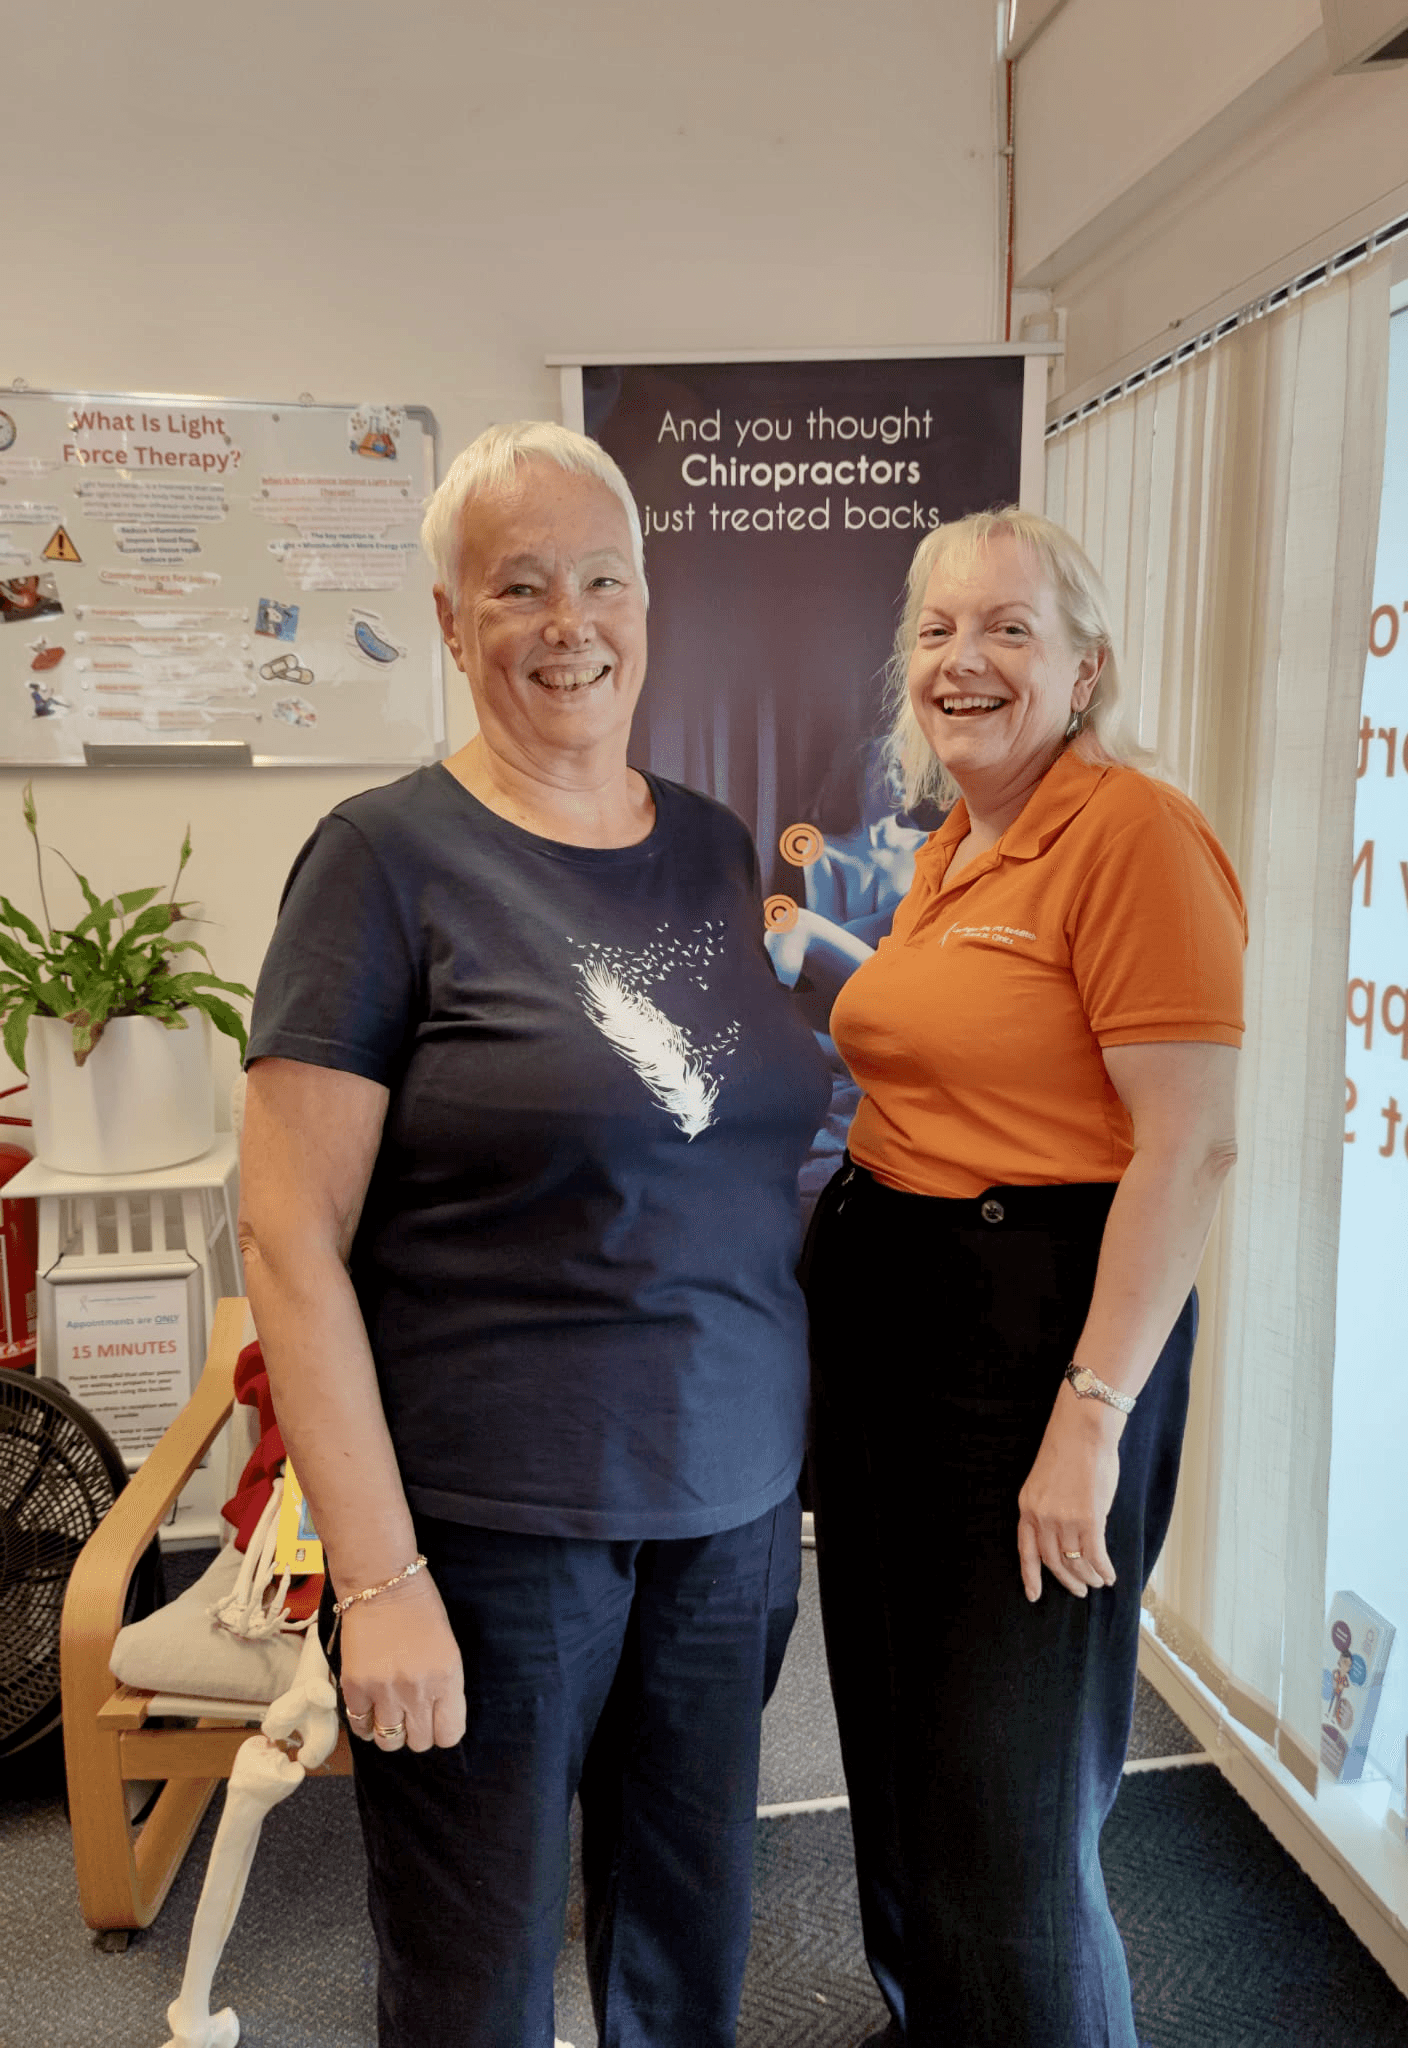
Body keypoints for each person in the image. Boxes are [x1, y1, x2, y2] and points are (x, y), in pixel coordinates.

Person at [238, 421, 829, 2048]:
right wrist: (381, 1581)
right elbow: (286, 1240)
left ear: (647, 604)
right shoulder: (385, 861)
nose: (570, 622)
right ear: (449, 620)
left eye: (602, 581)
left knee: (686, 1949)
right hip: (495, 1535)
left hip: (726, 1516)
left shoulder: (713, 846)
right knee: (476, 1974)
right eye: (519, 587)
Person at [799, 508, 1246, 2048]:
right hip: (897, 1325)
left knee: (1006, 1797)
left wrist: (1092, 1411)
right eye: (935, 632)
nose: (964, 661)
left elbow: (1189, 1148)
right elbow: (961, 1048)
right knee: (902, 1743)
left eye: (1006, 629)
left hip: (1038, 1339)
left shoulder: (1132, 833)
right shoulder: (953, 847)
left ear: (1085, 665)